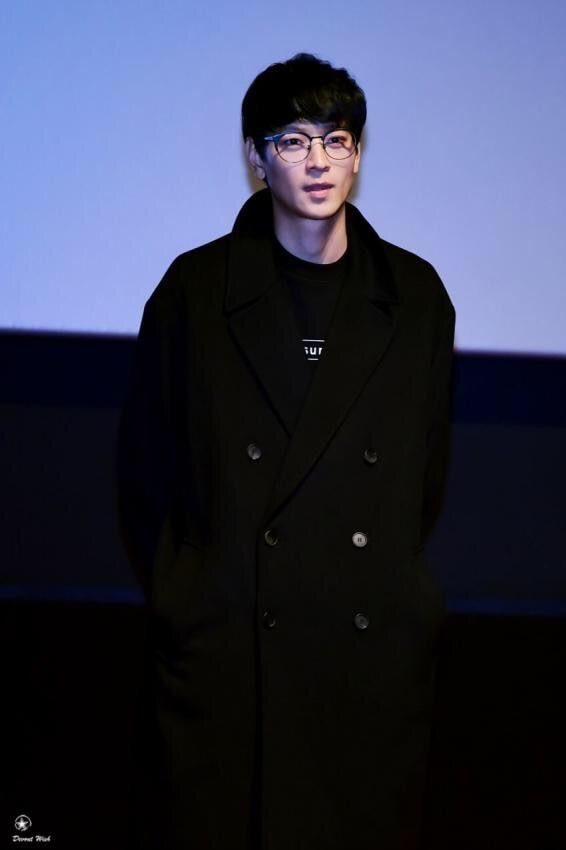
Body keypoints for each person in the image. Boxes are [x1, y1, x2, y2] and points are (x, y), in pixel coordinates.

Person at [117, 52, 456, 850]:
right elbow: (145, 471)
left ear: (359, 156)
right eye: (294, 140)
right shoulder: (195, 292)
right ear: (256, 156)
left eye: (336, 140)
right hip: (232, 659)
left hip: (362, 661)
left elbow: (425, 476)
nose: (318, 162)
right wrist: (190, 594)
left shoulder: (414, 298)